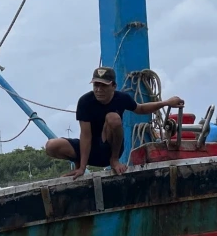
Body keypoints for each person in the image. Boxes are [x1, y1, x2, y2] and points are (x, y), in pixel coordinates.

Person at [44, 66, 185, 177]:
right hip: (90, 148)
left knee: (113, 117)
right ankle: (78, 162)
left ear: (113, 86)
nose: (99, 90)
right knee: (51, 145)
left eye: (103, 86)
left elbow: (140, 108)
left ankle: (114, 160)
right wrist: (82, 167)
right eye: (96, 85)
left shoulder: (121, 98)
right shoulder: (85, 101)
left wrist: (166, 102)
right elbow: (85, 135)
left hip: (108, 148)